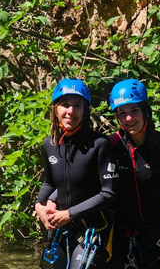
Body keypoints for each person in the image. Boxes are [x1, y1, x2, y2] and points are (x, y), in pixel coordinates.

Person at [108, 78, 160, 269]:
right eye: (122, 113)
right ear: (117, 118)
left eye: (134, 110)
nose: (129, 118)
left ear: (146, 111)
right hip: (117, 238)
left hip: (152, 239)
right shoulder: (110, 145)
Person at [35, 78, 117, 269]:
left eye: (77, 106)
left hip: (93, 230)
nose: (70, 111)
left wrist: (69, 214)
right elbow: (49, 183)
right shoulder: (50, 144)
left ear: (85, 111)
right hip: (61, 230)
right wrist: (40, 206)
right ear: (55, 109)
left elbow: (109, 194)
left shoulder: (99, 144)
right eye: (65, 105)